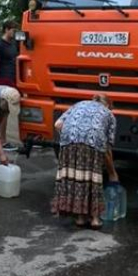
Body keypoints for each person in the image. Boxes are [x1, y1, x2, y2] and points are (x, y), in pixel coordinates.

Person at [51, 95, 118, 229]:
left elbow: (57, 124)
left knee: (76, 178)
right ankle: (94, 219)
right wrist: (112, 173)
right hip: (92, 141)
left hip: (68, 139)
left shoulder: (79, 104)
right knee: (92, 179)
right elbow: (107, 148)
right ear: (108, 106)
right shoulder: (109, 114)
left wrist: (71, 136)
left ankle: (80, 218)